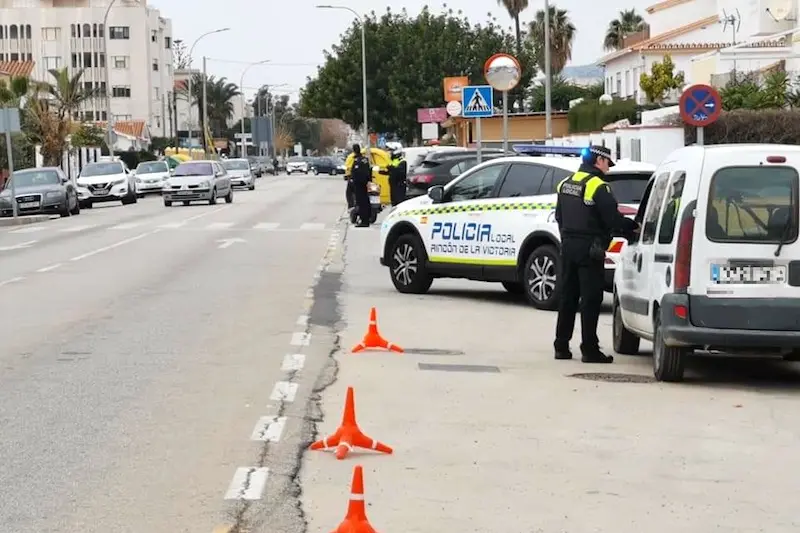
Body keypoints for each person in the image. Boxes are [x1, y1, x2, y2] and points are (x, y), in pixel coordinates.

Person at [554, 145, 639, 364]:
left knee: (568, 297)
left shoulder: (565, 184)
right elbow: (613, 219)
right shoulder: (599, 186)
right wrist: (634, 228)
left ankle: (561, 345)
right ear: (599, 161)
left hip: (568, 247)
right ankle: (589, 349)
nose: (608, 169)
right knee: (591, 300)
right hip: (590, 248)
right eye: (607, 164)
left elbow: (559, 217)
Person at [348, 143, 372, 227]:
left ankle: (364, 221)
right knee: (365, 202)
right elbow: (369, 171)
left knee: (361, 203)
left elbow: (356, 173)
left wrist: (353, 181)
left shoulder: (357, 161)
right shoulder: (365, 159)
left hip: (359, 185)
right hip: (364, 184)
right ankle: (366, 219)